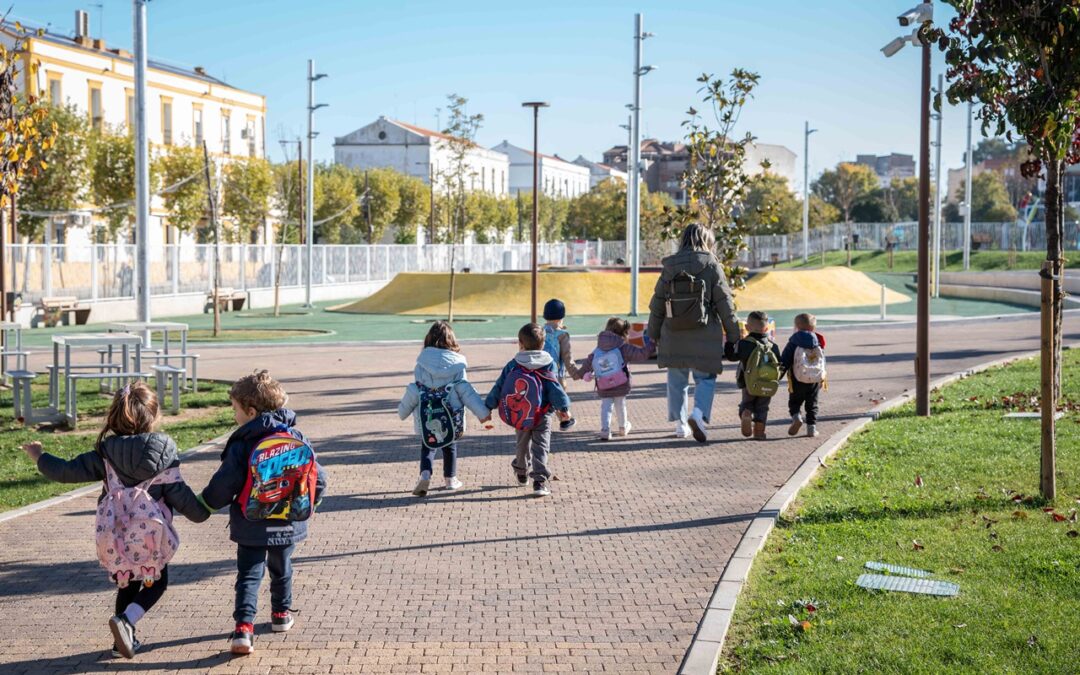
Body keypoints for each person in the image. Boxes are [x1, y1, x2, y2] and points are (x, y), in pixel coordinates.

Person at [22, 383, 209, 660]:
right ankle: (127, 622)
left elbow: (65, 471)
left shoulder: (104, 454)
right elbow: (180, 495)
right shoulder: (164, 454)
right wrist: (203, 511)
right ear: (154, 416)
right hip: (151, 540)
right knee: (155, 583)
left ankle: (120, 638)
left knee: (127, 582)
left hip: (117, 537)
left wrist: (40, 456)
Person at [200, 370, 328, 656]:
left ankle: (243, 629)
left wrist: (206, 504)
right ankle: (281, 615)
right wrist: (311, 504)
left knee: (248, 574)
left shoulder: (244, 442)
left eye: (235, 410)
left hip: (251, 521)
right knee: (282, 568)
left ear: (251, 411)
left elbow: (226, 483)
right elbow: (319, 479)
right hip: (288, 519)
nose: (234, 416)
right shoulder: (295, 436)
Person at [647, 223, 740, 443]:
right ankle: (697, 415)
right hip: (704, 334)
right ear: (707, 241)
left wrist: (653, 333)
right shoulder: (710, 264)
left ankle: (680, 425)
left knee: (676, 380)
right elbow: (725, 303)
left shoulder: (669, 266)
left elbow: (658, 303)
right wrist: (734, 335)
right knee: (705, 378)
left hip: (673, 333)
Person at [398, 321, 490, 496]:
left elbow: (416, 389)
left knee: (428, 446)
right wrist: (483, 413)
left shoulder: (421, 364)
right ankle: (450, 479)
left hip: (428, 414)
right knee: (450, 446)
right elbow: (465, 390)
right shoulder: (458, 365)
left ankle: (425, 474)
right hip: (451, 414)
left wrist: (402, 411)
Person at [485, 323, 572, 498]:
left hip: (521, 413)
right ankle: (539, 481)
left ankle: (521, 471)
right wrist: (564, 408)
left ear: (520, 343)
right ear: (543, 343)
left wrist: (488, 405)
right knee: (541, 446)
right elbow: (554, 388)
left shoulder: (513, 364)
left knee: (522, 444)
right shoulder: (549, 363)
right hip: (543, 413)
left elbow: (500, 386)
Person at [573, 316, 654, 441]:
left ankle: (605, 430)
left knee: (606, 407)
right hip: (621, 383)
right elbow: (641, 354)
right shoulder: (623, 347)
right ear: (623, 332)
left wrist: (578, 374)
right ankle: (623, 427)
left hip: (603, 384)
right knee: (621, 404)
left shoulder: (598, 348)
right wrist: (652, 344)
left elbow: (588, 363)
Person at [736, 311, 783, 440]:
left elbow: (733, 356)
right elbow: (780, 366)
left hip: (748, 382)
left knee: (747, 402)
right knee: (762, 407)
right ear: (767, 328)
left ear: (747, 327)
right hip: (767, 384)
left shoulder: (744, 344)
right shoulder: (774, 347)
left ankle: (746, 413)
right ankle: (759, 432)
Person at [781, 313, 827, 438]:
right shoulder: (819, 341)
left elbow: (784, 360)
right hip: (814, 379)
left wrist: (778, 376)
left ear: (796, 327)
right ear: (813, 328)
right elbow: (822, 360)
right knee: (812, 404)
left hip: (797, 379)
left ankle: (796, 417)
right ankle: (811, 429)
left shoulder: (793, 342)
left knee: (795, 402)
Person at [541, 298, 578, 430]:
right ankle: (565, 419)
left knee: (547, 397)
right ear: (562, 316)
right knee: (559, 397)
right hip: (558, 374)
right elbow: (567, 357)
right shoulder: (562, 335)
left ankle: (561, 419)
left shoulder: (540, 331)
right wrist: (575, 373)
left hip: (540, 372)